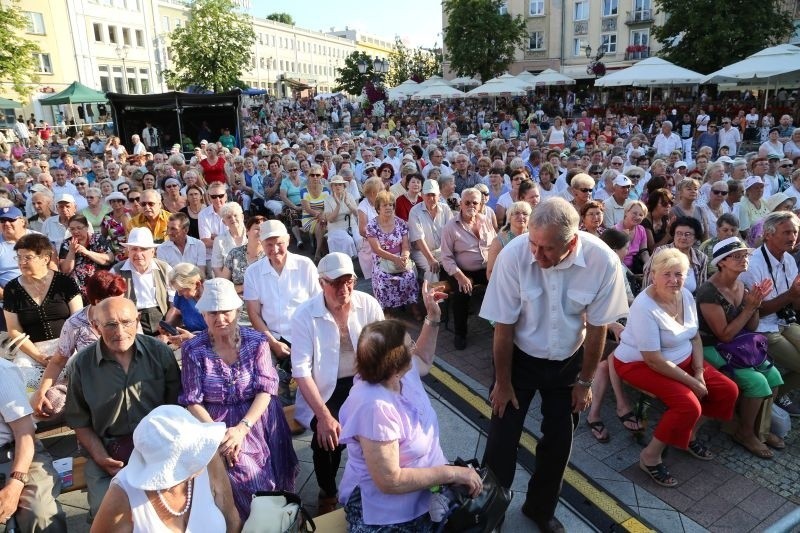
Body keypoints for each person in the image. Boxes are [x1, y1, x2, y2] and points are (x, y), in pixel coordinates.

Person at [480, 198, 628, 532]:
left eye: (546, 249)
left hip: (569, 361)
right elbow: (502, 328)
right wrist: (502, 384)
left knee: (559, 442)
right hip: (519, 358)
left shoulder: (602, 261)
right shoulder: (513, 256)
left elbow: (599, 327)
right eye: (533, 243)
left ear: (572, 241)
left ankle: (540, 509)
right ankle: (490, 510)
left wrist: (585, 382)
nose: (536, 254)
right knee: (502, 439)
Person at [338, 309, 484, 530]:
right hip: (387, 510)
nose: (414, 348)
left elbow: (423, 359)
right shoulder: (374, 407)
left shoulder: (400, 375)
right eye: (410, 346)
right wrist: (452, 473)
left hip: (429, 489)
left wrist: (433, 318)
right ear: (395, 366)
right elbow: (390, 481)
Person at [614, 248, 738, 487]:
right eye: (667, 274)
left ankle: (689, 434)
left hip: (681, 358)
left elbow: (694, 337)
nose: (673, 280)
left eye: (679, 274)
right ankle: (649, 457)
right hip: (639, 363)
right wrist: (693, 382)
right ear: (654, 276)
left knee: (727, 390)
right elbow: (653, 359)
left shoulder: (686, 296)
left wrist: (700, 371)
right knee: (687, 404)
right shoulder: (644, 307)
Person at [179, 278, 299, 520]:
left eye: (225, 311)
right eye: (213, 312)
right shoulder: (194, 348)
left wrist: (242, 429)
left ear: (237, 311)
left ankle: (274, 521)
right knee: (246, 476)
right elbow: (192, 401)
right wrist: (219, 434)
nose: (220, 318)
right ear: (203, 314)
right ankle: (252, 523)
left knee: (274, 481)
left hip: (257, 419)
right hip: (215, 425)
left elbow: (267, 389)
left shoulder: (257, 342)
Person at [64, 296, 181, 520]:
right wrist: (100, 458)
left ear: (137, 321)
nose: (119, 331)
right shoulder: (82, 365)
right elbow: (79, 421)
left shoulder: (159, 353)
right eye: (110, 324)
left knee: (168, 510)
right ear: (96, 327)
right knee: (107, 514)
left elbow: (175, 409)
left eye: (126, 322)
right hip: (108, 452)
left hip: (158, 450)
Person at [290, 253, 385, 514]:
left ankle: (379, 479)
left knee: (383, 425)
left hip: (363, 382)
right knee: (326, 439)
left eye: (349, 281)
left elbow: (384, 350)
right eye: (336, 283)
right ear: (322, 283)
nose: (344, 289)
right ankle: (328, 490)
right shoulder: (304, 315)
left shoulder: (368, 304)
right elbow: (300, 371)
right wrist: (322, 416)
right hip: (323, 389)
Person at [697, 237, 784, 458]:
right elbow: (723, 335)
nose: (743, 259)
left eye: (745, 255)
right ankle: (744, 433)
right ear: (722, 262)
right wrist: (749, 308)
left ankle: (759, 430)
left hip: (736, 344)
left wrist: (755, 304)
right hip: (710, 346)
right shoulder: (709, 291)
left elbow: (752, 325)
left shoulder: (741, 285)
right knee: (756, 382)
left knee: (773, 376)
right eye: (737, 256)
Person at [91, 405, 241, 533]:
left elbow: (232, 518)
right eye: (189, 454)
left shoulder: (208, 458)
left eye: (196, 448)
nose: (199, 457)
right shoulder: (123, 494)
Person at [30, 272, 128, 421]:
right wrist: (41, 392)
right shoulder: (75, 324)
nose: (122, 305)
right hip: (88, 382)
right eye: (116, 301)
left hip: (126, 377)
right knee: (48, 403)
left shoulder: (128, 316)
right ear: (98, 301)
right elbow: (58, 361)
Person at [741, 211, 800, 416]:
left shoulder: (789, 260)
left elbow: (794, 304)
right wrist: (792, 294)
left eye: (795, 232)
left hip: (784, 321)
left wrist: (795, 296)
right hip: (762, 326)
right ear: (768, 234)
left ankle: (773, 398)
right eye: (786, 232)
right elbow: (758, 312)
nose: (792, 237)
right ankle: (769, 399)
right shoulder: (753, 264)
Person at [4, 234, 83, 388]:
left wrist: (62, 352)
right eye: (19, 257)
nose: (21, 262)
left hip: (68, 345)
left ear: (45, 259)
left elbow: (78, 320)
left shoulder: (64, 282)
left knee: (78, 372)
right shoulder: (12, 288)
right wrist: (39, 357)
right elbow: (14, 330)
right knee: (22, 380)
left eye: (28, 258)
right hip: (32, 350)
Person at [0, 356, 67, 532]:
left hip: (17, 453)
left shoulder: (2, 372)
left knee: (40, 514)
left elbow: (24, 433)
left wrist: (15, 485)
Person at [441, 188, 497, 349]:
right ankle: (460, 334)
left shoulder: (485, 220)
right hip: (461, 270)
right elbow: (446, 257)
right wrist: (460, 276)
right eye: (467, 202)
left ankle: (502, 326)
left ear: (480, 205)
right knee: (461, 293)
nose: (471, 205)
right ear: (460, 204)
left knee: (505, 285)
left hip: (485, 267)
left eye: (475, 203)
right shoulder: (451, 227)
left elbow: (494, 245)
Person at [111, 227, 174, 335]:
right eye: (134, 249)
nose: (138, 254)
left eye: (143, 249)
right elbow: (112, 305)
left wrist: (166, 327)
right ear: (128, 251)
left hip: (163, 319)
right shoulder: (116, 271)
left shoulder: (165, 269)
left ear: (153, 251)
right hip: (130, 322)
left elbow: (174, 304)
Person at [366, 190, 419, 314]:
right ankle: (387, 308)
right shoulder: (371, 225)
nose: (388, 207)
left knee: (410, 275)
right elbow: (377, 249)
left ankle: (413, 304)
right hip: (382, 259)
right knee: (383, 279)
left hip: (400, 257)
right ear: (378, 208)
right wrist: (394, 259)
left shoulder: (401, 223)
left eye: (391, 204)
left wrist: (404, 256)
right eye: (385, 205)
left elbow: (405, 245)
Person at [644, 217, 708, 294]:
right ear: (673, 235)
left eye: (688, 234)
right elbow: (649, 281)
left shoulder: (701, 258)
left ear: (695, 238)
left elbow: (701, 290)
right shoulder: (661, 252)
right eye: (679, 233)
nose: (683, 237)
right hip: (660, 301)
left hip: (690, 302)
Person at [59, 214, 114, 302]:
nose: (76, 231)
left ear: (87, 227)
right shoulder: (66, 243)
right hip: (76, 289)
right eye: (72, 229)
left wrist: (87, 252)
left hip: (99, 285)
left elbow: (109, 259)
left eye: (79, 228)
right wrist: (71, 251)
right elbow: (66, 270)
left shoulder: (97, 238)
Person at [408, 178, 453, 282]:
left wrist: (449, 253)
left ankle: (456, 294)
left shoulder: (445, 209)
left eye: (433, 195)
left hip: (441, 250)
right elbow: (419, 239)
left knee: (455, 263)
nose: (431, 198)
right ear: (422, 195)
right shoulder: (415, 211)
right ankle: (433, 298)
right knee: (432, 269)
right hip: (421, 252)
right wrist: (430, 259)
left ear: (439, 196)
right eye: (427, 195)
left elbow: (451, 233)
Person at [487, 200, 530, 279]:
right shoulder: (498, 241)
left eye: (525, 214)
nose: (521, 216)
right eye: (516, 213)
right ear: (509, 217)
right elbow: (490, 273)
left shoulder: (534, 239)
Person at [323, 175, 359, 257]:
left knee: (360, 240)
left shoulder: (349, 196)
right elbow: (330, 219)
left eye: (340, 184)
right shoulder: (328, 199)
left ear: (344, 186)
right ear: (332, 187)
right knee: (348, 240)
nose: (338, 186)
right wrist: (338, 205)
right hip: (336, 227)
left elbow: (357, 213)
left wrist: (348, 203)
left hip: (351, 225)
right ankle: (346, 262)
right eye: (335, 185)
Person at [211, 202, 246, 278]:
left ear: (242, 217)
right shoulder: (219, 241)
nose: (233, 219)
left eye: (235, 215)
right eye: (229, 217)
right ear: (224, 222)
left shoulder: (251, 235)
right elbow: (216, 268)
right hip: (229, 283)